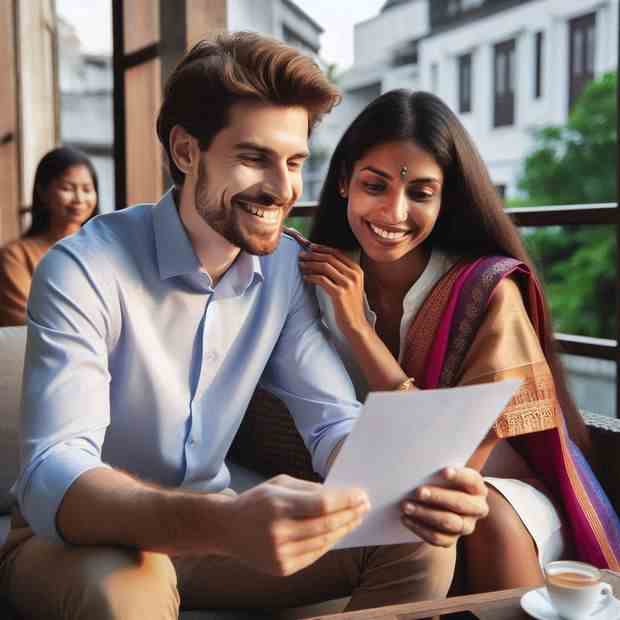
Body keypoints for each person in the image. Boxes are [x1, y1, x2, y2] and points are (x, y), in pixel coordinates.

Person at [0, 35, 490, 620]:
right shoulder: (81, 268)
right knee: (128, 590)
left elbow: (332, 421)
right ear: (186, 151)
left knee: (421, 538)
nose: (282, 189)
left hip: (213, 536)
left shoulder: (286, 269)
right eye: (254, 157)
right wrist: (225, 522)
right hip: (86, 541)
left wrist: (412, 482)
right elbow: (55, 471)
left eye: (294, 162)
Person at [299, 89, 620, 594]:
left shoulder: (486, 292)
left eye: (420, 193)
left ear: (447, 198)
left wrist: (360, 333)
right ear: (343, 182)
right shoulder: (317, 279)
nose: (393, 212)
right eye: (374, 185)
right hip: (371, 482)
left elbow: (446, 462)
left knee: (474, 516)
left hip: (487, 490)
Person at [0, 146, 99, 326]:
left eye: (87, 189)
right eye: (67, 188)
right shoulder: (15, 256)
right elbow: (26, 320)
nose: (79, 198)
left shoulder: (106, 252)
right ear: (42, 192)